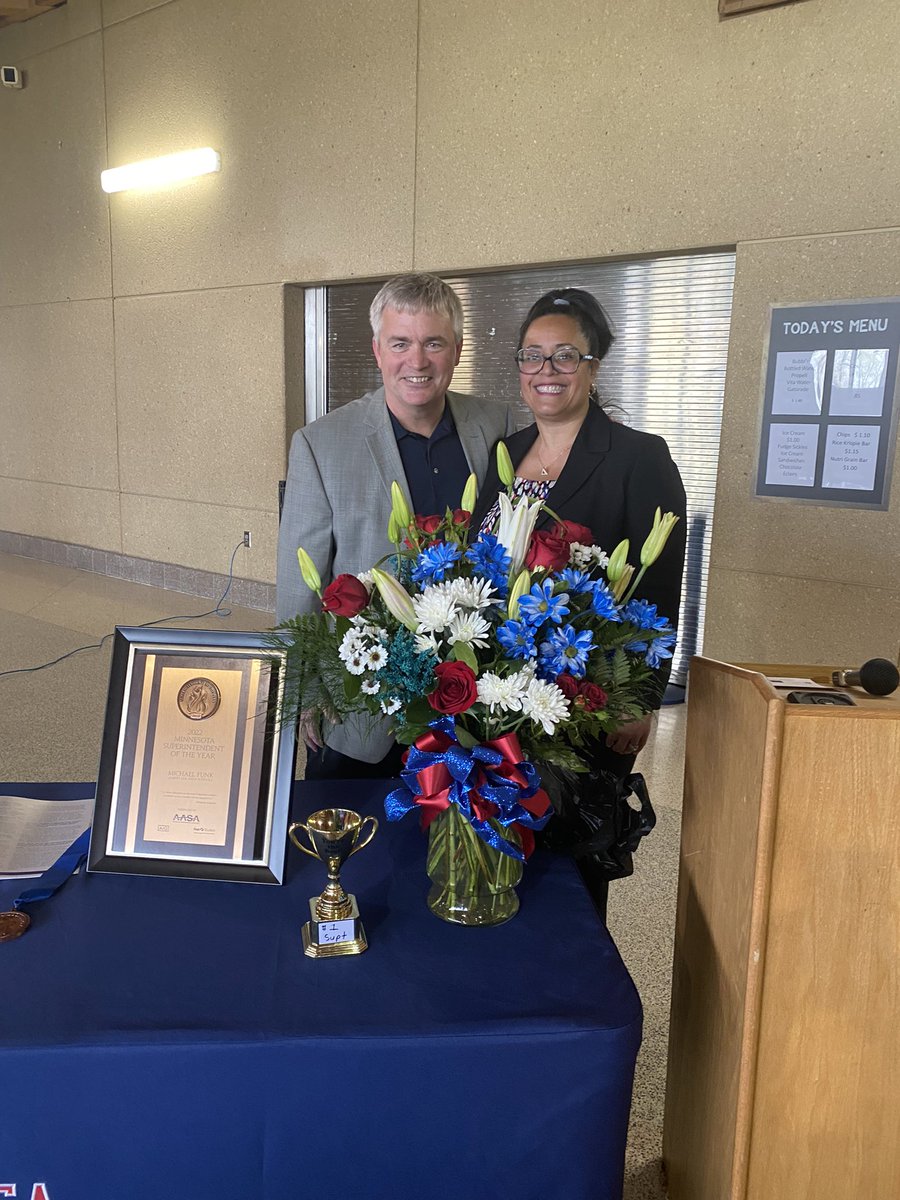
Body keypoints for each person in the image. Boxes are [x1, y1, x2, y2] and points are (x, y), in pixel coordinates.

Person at [471, 287, 687, 912]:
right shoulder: (504, 453)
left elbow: (659, 587)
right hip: (501, 697)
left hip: (588, 701)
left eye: (565, 355)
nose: (546, 371)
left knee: (571, 860)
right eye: (531, 356)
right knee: (502, 840)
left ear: (594, 365)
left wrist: (640, 699)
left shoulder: (639, 458)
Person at [276, 272, 515, 780]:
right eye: (400, 343)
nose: (417, 361)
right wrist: (304, 688)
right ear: (377, 350)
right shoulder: (321, 444)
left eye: (434, 343)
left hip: (472, 704)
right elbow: (301, 585)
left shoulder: (498, 426)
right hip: (361, 711)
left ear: (457, 349)